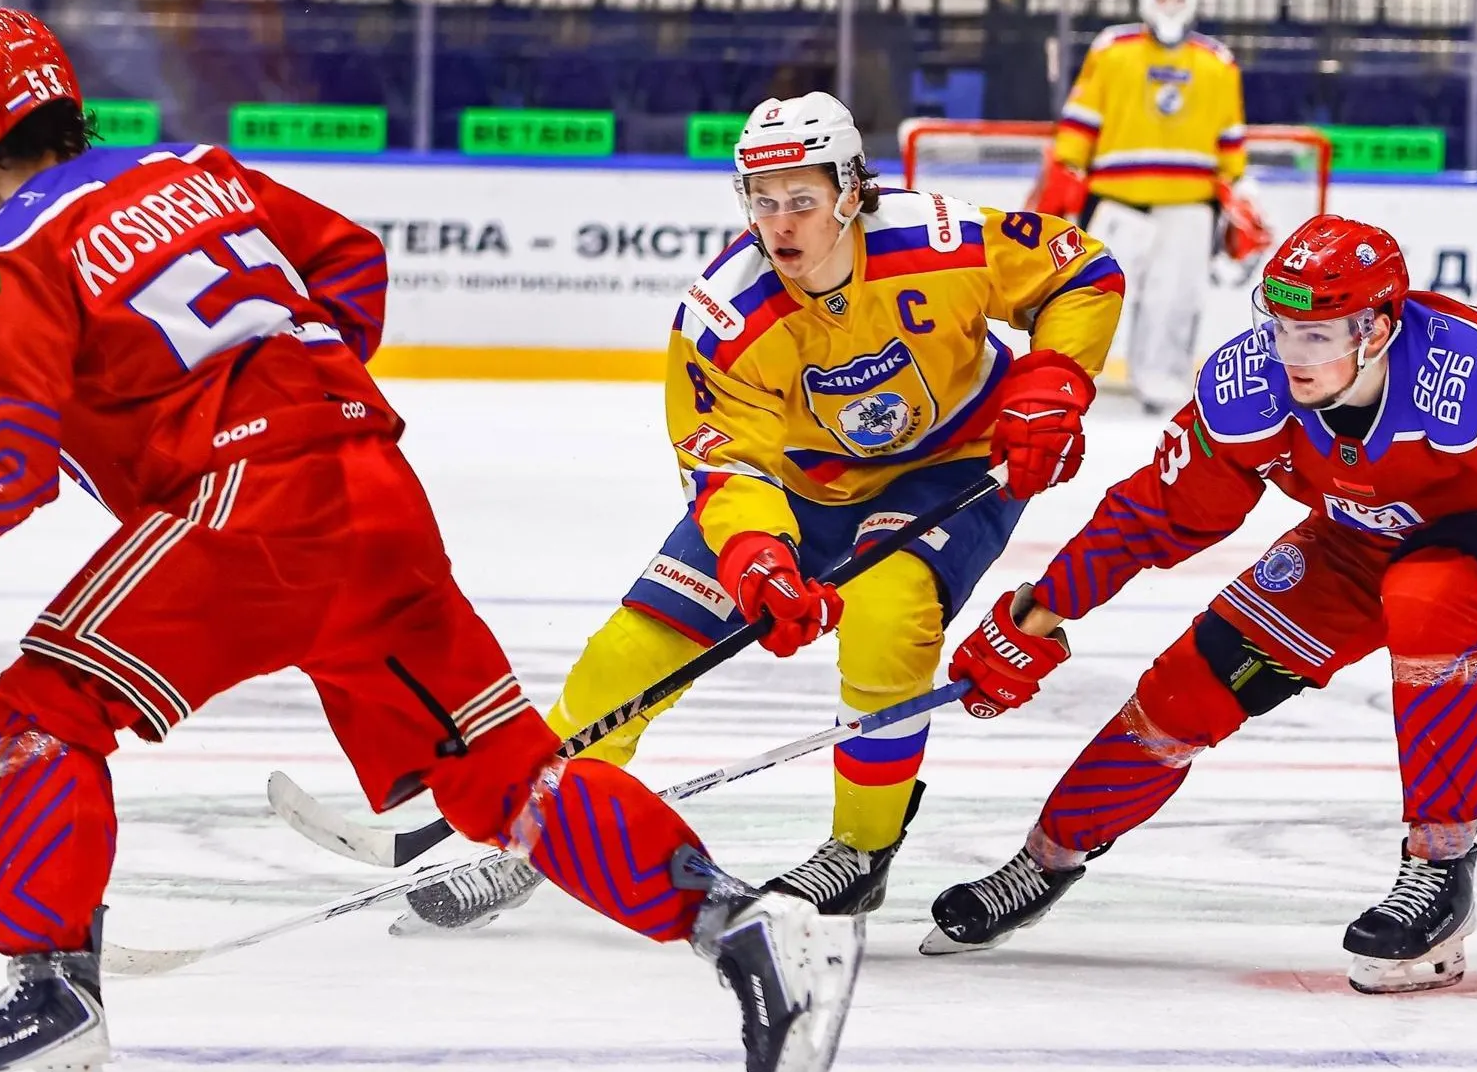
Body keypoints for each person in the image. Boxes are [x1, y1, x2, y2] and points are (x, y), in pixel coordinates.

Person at [0, 11, 860, 1072]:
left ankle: (49, 998)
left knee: (47, 705)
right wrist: (308, 397)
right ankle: (745, 928)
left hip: (245, 506)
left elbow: (2, 467)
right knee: (503, 775)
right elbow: (349, 257)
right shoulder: (197, 172)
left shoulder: (4, 257)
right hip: (374, 484)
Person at [926, 214, 1477, 993]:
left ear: (1377, 330)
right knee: (1192, 684)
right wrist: (1041, 614)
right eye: (1280, 329)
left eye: (1317, 335)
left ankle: (1440, 870)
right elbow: (1153, 512)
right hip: (1359, 536)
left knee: (1429, 592)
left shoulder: (1472, 376)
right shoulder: (1254, 388)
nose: (1290, 355)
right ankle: (1045, 860)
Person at [393, 90, 1124, 933]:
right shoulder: (724, 312)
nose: (781, 223)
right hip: (795, 487)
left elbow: (1082, 269)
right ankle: (540, 832)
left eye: (802, 199)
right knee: (631, 652)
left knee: (887, 614)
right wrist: (758, 556)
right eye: (763, 200)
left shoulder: (941, 239)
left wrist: (1053, 382)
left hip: (949, 463)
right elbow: (724, 460)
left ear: (852, 193)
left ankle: (861, 850)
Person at [1030, 0, 1270, 414]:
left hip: (1190, 209)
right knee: (1087, 296)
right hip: (1119, 202)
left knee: (1174, 306)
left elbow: (1230, 142)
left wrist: (1240, 190)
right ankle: (1059, 381)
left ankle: (1163, 392)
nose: (1170, 4)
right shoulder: (1112, 50)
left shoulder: (1218, 62)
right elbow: (1080, 124)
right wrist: (1065, 172)